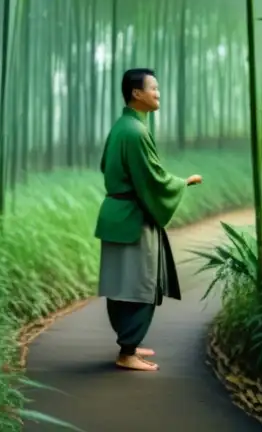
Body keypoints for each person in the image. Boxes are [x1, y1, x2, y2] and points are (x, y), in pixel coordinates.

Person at [94, 68, 203, 372]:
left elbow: (108, 166)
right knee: (140, 284)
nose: (158, 93)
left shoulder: (122, 126)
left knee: (121, 285)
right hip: (133, 217)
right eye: (153, 88)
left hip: (116, 214)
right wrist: (184, 182)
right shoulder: (137, 131)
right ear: (136, 94)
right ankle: (127, 353)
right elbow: (152, 178)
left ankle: (128, 342)